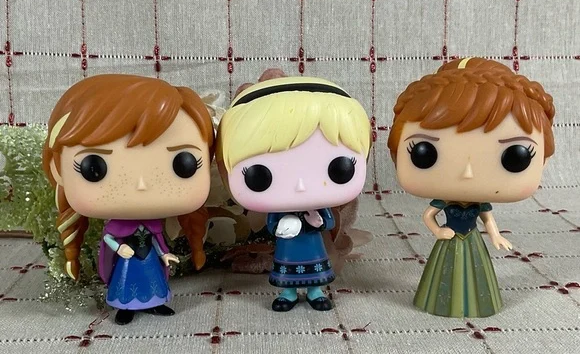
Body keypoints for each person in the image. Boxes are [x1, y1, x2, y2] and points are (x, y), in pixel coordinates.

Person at [387, 58, 555, 317]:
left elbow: (487, 218)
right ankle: (438, 302)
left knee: (477, 273)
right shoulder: (444, 202)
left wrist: (495, 236)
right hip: (450, 239)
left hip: (471, 240)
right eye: (424, 152)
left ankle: (477, 304)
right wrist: (438, 230)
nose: (467, 174)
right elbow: (429, 216)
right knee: (442, 275)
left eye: (515, 156)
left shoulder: (479, 204)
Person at [42, 74, 214, 324]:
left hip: (149, 260)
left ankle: (155, 302)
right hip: (126, 262)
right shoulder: (116, 226)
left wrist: (164, 254)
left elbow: (157, 241)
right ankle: (125, 308)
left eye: (183, 164)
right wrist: (118, 248)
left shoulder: (154, 226)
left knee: (154, 281)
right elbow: (109, 238)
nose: (141, 184)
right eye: (94, 167)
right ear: (58, 168)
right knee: (125, 285)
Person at [216, 73, 371, 311]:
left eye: (339, 169)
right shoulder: (277, 211)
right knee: (287, 273)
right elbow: (271, 226)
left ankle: (315, 292)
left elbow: (328, 223)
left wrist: (318, 221)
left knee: (316, 272)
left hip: (313, 246)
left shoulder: (319, 208)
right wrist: (282, 227)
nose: (300, 186)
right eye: (259, 175)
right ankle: (288, 293)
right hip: (288, 249)